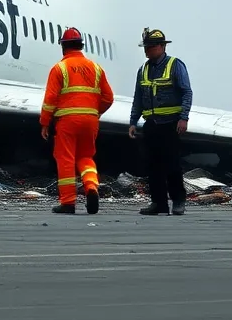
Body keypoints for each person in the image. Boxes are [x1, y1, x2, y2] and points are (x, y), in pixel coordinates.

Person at [40, 27, 114, 215]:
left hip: (67, 122)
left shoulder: (59, 69)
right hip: (90, 122)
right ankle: (91, 188)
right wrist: (94, 113)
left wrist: (45, 122)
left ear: (63, 47)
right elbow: (108, 97)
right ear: (81, 45)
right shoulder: (96, 68)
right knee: (86, 157)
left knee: (66, 159)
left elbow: (50, 100)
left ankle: (68, 202)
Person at [128, 28, 193, 216]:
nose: (147, 50)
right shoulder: (144, 70)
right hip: (151, 125)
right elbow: (138, 98)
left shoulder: (175, 65)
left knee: (172, 164)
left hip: (171, 124)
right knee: (153, 166)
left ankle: (178, 201)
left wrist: (184, 118)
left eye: (151, 46)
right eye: (146, 47)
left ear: (162, 46)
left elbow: (186, 92)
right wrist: (133, 121)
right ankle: (159, 203)